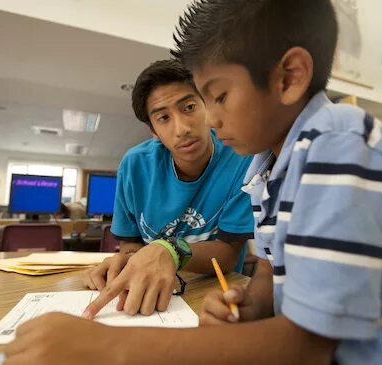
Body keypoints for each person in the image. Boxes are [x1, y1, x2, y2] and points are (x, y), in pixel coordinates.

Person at [3, 1, 382, 364]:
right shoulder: (265, 165)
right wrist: (249, 304)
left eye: (216, 97)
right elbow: (270, 269)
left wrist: (108, 349)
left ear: (289, 77)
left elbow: (309, 348)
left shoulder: (337, 144)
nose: (210, 121)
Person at [82, 59, 254, 317]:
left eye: (189, 107)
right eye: (163, 118)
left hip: (214, 294)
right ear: (153, 131)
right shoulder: (134, 165)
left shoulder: (241, 158)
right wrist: (126, 262)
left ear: (206, 105)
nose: (182, 128)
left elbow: (229, 253)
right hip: (155, 296)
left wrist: (170, 250)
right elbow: (131, 244)